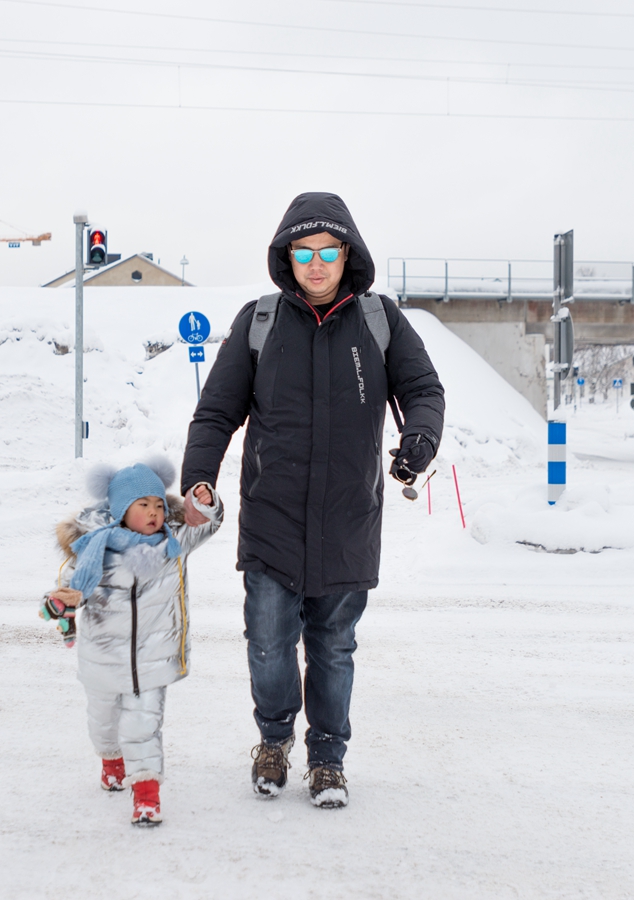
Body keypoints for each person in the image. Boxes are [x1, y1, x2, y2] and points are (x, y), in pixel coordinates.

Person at [180, 192, 444, 809]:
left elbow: (422, 387)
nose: (317, 263)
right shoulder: (260, 321)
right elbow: (217, 409)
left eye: (328, 251)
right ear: (288, 256)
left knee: (333, 646)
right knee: (268, 643)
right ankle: (274, 742)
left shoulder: (380, 320)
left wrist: (420, 438)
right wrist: (200, 476)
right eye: (305, 252)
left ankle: (327, 758)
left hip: (349, 518)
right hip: (272, 518)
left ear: (346, 253)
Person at [43, 458, 222, 826]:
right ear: (122, 511)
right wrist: (61, 602)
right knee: (103, 724)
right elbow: (68, 590)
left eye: (159, 504)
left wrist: (206, 504)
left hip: (151, 663)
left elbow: (207, 526)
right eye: (144, 505)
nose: (155, 513)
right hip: (102, 660)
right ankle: (111, 762)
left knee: (143, 727)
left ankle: (146, 794)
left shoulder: (172, 544)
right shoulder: (94, 549)